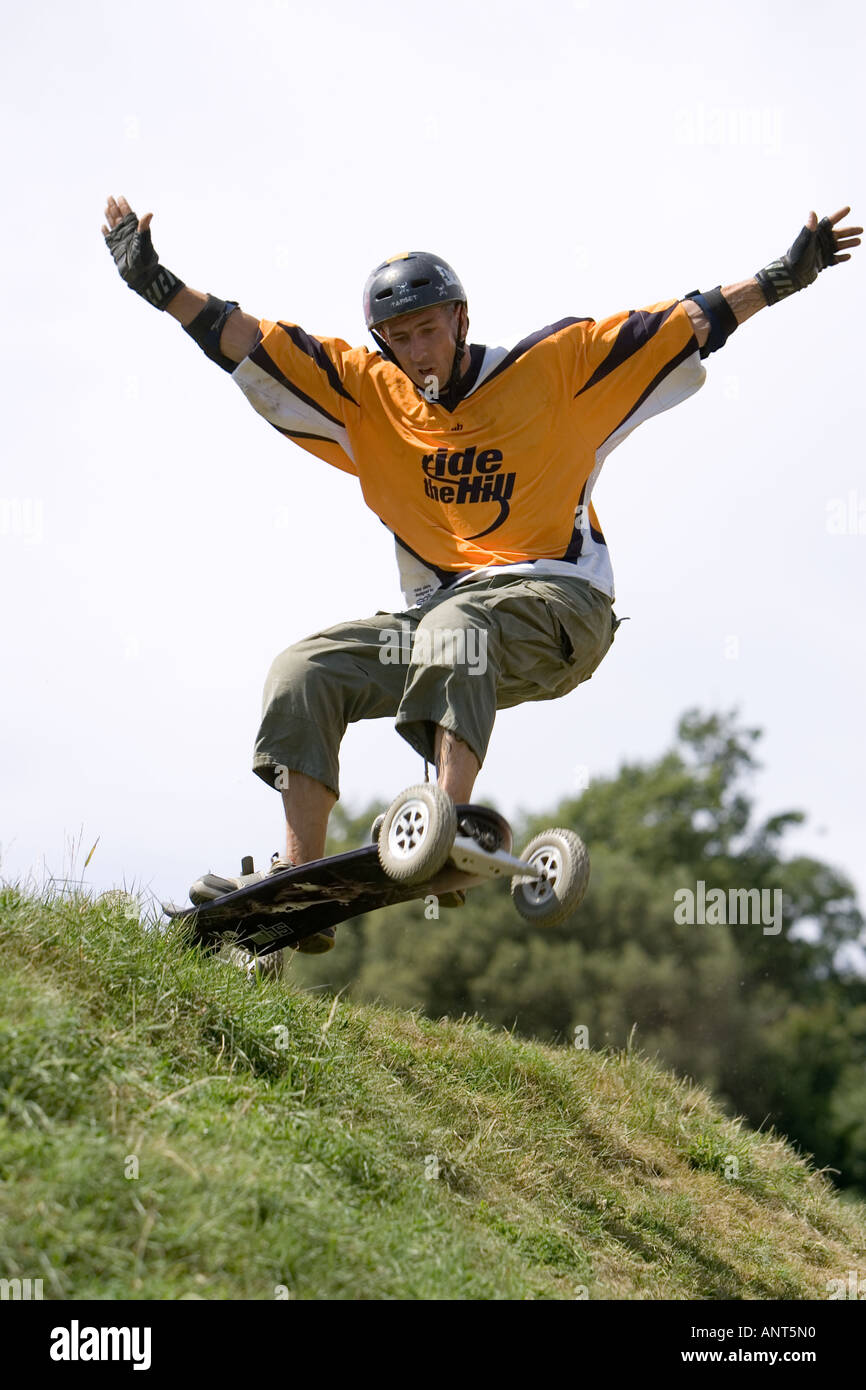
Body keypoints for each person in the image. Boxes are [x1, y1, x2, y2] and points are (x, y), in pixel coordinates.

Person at [103, 195, 860, 955]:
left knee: (452, 625)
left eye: (428, 331)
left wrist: (783, 274)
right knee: (305, 668)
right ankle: (300, 886)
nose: (417, 351)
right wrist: (158, 284)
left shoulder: (556, 369)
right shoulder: (366, 395)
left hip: (560, 609)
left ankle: (441, 815)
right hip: (446, 629)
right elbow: (254, 343)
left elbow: (685, 324)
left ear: (460, 321)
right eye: (399, 339)